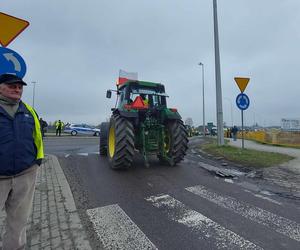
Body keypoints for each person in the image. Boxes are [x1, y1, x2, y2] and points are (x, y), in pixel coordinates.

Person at [0, 73, 44, 249]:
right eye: (12, 86)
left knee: (18, 222)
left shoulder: (28, 110)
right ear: (0, 87)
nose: (17, 89)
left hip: (25, 174)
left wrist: (37, 162)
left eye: (19, 86)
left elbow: (37, 137)